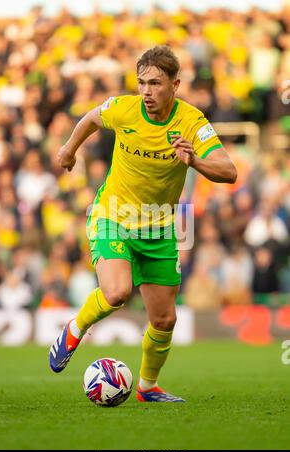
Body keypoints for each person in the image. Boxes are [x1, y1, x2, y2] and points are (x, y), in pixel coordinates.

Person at [49, 45, 237, 402]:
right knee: (117, 292)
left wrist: (194, 160)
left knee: (165, 320)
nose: (147, 91)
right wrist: (69, 150)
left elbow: (229, 171)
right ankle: (74, 329)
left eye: (155, 83)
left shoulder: (192, 122)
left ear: (175, 84)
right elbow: (90, 118)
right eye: (141, 83)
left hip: (160, 226)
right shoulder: (124, 108)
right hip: (113, 215)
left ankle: (147, 387)